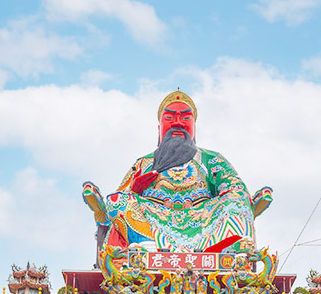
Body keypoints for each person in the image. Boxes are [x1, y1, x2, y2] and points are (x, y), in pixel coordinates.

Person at [81, 91, 270, 253]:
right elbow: (116, 203)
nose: (177, 122)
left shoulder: (211, 159)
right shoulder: (144, 162)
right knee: (116, 200)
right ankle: (147, 245)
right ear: (159, 128)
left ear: (194, 127)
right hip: (152, 223)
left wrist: (232, 200)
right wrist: (135, 190)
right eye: (170, 118)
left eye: (185, 118)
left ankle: (220, 248)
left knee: (238, 199)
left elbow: (235, 188)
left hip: (203, 221)